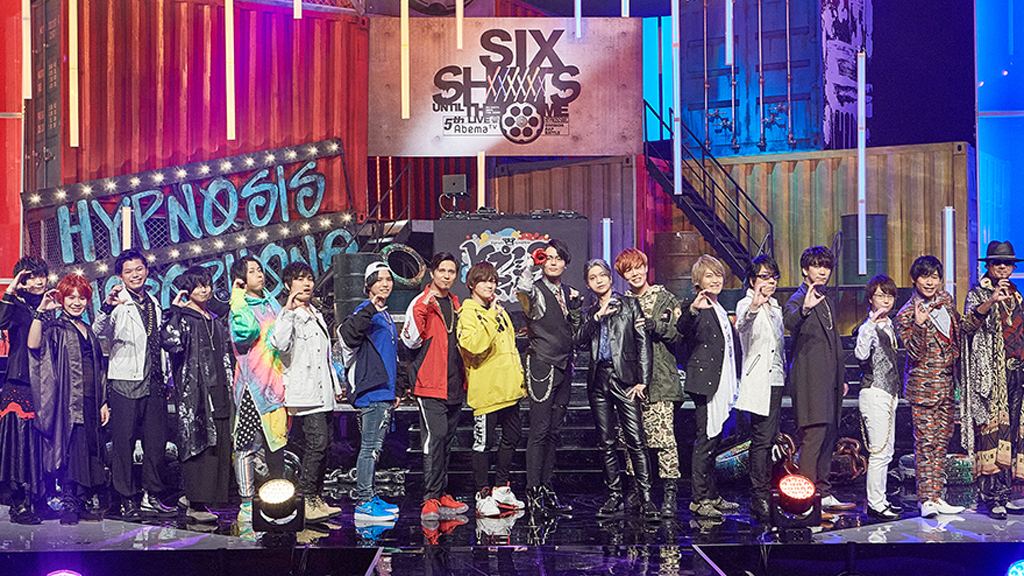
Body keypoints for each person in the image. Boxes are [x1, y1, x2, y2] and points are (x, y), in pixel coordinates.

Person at [93, 248, 175, 520]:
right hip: (126, 381)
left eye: (139, 269)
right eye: (128, 271)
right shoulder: (118, 303)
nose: (135, 275)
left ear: (146, 270)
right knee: (124, 443)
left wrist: (167, 377)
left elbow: (160, 342)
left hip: (155, 381)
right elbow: (97, 331)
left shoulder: (154, 302)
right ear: (120, 276)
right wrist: (107, 306)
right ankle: (126, 498)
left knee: (156, 443)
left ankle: (152, 495)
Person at [577, 258, 658, 521]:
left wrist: (642, 380)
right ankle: (614, 496)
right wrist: (596, 318)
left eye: (602, 275)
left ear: (611, 278)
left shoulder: (629, 304)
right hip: (598, 379)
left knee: (636, 440)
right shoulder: (590, 313)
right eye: (593, 277)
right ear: (588, 283)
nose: (598, 280)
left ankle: (646, 499)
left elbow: (643, 343)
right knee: (606, 442)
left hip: (625, 379)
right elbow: (578, 341)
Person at [28, 274, 107, 525]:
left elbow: (99, 368)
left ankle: (82, 502)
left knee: (89, 450)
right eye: (71, 297)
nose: (76, 302)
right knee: (73, 449)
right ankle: (70, 503)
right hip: (68, 399)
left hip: (91, 398)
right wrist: (41, 311)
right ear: (62, 299)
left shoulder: (87, 329)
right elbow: (33, 345)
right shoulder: (56, 327)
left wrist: (103, 401)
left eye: (81, 298)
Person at [269, 262, 344, 523]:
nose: (307, 283)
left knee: (326, 446)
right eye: (300, 279)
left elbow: (325, 357)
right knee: (317, 444)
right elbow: (279, 343)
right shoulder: (287, 314)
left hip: (323, 392)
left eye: (309, 278)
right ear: (288, 284)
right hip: (305, 393)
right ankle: (305, 499)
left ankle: (317, 498)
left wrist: (335, 387)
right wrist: (288, 313)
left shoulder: (316, 312)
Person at [782, 246, 854, 515]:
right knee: (813, 438)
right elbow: (789, 320)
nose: (823, 271)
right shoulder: (799, 298)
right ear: (805, 269)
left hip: (830, 380)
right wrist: (804, 309)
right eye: (817, 266)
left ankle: (822, 493)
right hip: (811, 381)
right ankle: (805, 501)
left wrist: (841, 378)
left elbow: (834, 343)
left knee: (827, 436)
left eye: (826, 266)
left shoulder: (825, 298)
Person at [160, 266, 234, 524]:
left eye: (206, 284)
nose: (204, 289)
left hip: (220, 389)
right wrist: (174, 311)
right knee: (199, 446)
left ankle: (197, 497)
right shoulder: (183, 317)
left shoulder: (214, 319)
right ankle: (195, 502)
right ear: (187, 290)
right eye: (198, 285)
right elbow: (170, 342)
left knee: (218, 445)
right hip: (196, 392)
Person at [615, 248, 684, 518]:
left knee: (665, 441)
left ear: (646, 267)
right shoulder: (621, 303)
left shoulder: (665, 299)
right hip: (628, 382)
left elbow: (678, 335)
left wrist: (656, 325)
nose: (634, 273)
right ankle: (636, 489)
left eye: (638, 267)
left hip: (660, 380)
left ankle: (669, 494)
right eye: (628, 270)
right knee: (632, 440)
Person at [516, 239, 583, 515]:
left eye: (558, 258)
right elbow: (522, 289)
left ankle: (546, 488)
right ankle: (533, 492)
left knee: (554, 432)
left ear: (565, 263)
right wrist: (531, 264)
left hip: (564, 365)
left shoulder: (569, 292)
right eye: (549, 257)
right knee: (540, 430)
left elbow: (575, 329)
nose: (553, 262)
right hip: (542, 364)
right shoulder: (536, 290)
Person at [895, 255, 965, 518]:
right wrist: (920, 324)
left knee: (942, 442)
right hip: (924, 388)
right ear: (914, 279)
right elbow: (914, 352)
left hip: (947, 385)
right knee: (925, 444)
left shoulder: (946, 300)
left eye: (934, 277)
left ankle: (937, 496)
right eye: (924, 277)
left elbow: (957, 335)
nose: (930, 282)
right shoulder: (906, 314)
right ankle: (926, 500)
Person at [402, 252, 470, 521]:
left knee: (447, 440)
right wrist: (423, 309)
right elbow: (410, 341)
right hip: (429, 383)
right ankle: (429, 498)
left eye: (451, 272)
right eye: (442, 270)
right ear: (432, 273)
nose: (446, 276)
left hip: (453, 383)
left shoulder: (455, 302)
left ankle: (442, 494)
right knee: (435, 437)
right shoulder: (421, 302)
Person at [457, 262, 527, 518]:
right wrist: (490, 316)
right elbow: (474, 346)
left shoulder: (498, 311)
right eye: (484, 281)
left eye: (493, 281)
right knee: (482, 445)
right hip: (487, 393)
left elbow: (511, 349)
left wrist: (520, 382)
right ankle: (482, 494)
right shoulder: (468, 314)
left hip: (510, 391)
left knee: (512, 438)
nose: (490, 285)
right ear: (471, 284)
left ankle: (501, 488)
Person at [676, 255, 741, 519]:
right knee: (705, 440)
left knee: (714, 440)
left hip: (722, 378)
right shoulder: (694, 305)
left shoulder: (719, 308)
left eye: (718, 275)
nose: (715, 280)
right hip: (705, 382)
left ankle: (712, 495)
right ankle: (699, 499)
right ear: (698, 281)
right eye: (709, 276)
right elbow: (683, 328)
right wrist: (693, 309)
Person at [962, 241, 1024, 520]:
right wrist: (990, 302)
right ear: (988, 266)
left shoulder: (1017, 295)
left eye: (1007, 263)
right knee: (991, 434)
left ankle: (1008, 495)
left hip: (1016, 373)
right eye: (997, 263)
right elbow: (966, 326)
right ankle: (992, 498)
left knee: (1013, 435)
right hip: (990, 376)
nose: (1002, 267)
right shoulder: (977, 294)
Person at [340, 261, 402, 523]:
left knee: (375, 448)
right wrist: (369, 308)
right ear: (368, 285)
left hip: (384, 391)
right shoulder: (364, 311)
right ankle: (364, 501)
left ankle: (370, 496)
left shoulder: (385, 314)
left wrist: (395, 389)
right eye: (379, 280)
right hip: (371, 391)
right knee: (369, 448)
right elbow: (348, 335)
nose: (385, 284)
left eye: (388, 279)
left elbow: (390, 355)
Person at [228, 255, 288, 525]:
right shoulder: (238, 307)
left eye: (260, 270)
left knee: (276, 444)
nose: (259, 274)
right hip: (252, 388)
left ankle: (278, 504)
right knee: (246, 445)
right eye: (252, 271)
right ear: (241, 279)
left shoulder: (271, 303)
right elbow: (248, 332)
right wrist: (238, 298)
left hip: (275, 386)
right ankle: (246, 503)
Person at [733, 255, 785, 523]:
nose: (770, 281)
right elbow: (741, 325)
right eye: (764, 276)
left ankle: (767, 492)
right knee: (761, 440)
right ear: (752, 280)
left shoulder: (775, 306)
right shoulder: (745, 304)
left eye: (774, 276)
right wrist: (754, 306)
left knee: (770, 438)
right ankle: (759, 496)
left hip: (776, 378)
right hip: (758, 380)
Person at [0, 256, 49, 524]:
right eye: (32, 277)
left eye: (42, 275)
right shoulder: (16, 305)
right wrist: (11, 289)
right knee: (18, 445)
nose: (39, 281)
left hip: (44, 382)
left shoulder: (49, 305)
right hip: (19, 382)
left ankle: (39, 500)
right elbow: (1, 321)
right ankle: (18, 503)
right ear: (23, 280)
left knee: (39, 444)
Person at [853, 274, 903, 520]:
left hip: (890, 393)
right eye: (880, 295)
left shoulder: (889, 325)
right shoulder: (867, 327)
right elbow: (861, 355)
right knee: (879, 452)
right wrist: (870, 326)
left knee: (887, 452)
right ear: (870, 298)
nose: (885, 300)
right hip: (874, 392)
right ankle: (874, 504)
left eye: (890, 295)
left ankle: (881, 500)